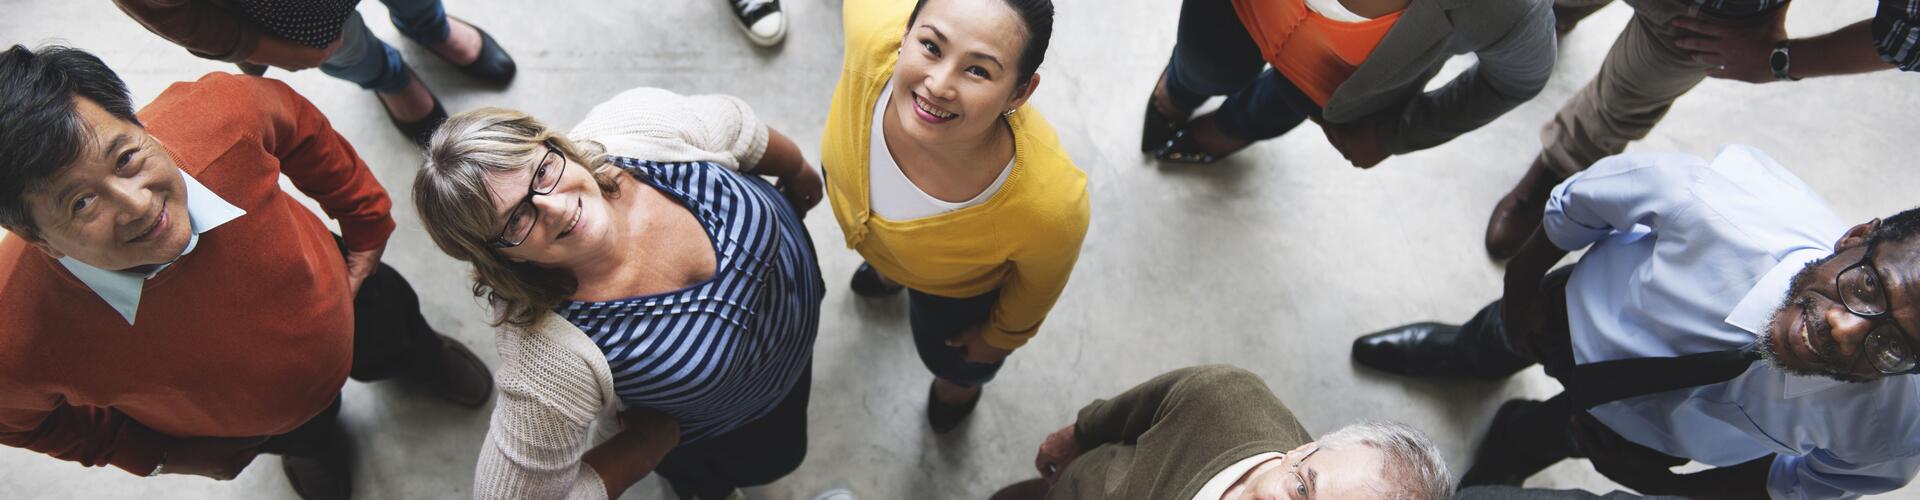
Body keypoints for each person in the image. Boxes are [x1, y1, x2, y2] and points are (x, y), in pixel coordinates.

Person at [0, 45, 489, 500]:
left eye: (126, 159)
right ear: (39, 240)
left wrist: (366, 221)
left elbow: (299, 125)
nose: (139, 203)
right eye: (81, 202)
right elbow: (18, 423)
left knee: (396, 336)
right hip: (253, 421)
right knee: (303, 432)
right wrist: (160, 458)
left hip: (347, 291)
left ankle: (419, 361)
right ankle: (312, 444)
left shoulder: (218, 116)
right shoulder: (12, 335)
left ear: (142, 127)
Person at [1353, 144, 1920, 498]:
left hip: (1653, 440)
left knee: (1549, 439)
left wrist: (1670, 488)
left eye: (1893, 347)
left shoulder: (1895, 432)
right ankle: (1471, 352)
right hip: (1571, 321)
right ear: (1855, 239)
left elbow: (1800, 484)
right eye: (1868, 286)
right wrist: (1518, 289)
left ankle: (1513, 444)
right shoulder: (1712, 204)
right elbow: (1578, 205)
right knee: (1499, 335)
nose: (1846, 331)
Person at [414, 87, 825, 500]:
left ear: (555, 146)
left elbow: (739, 129)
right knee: (772, 462)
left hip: (801, 311)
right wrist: (641, 450)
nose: (554, 208)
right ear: (501, 256)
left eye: (541, 173)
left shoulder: (639, 131)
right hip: (744, 425)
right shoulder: (546, 356)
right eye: (518, 218)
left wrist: (796, 168)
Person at [820, 0, 1090, 434]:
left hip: (955, 295)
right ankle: (891, 274)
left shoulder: (1049, 205)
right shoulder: (871, 30)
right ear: (905, 30)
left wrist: (997, 339)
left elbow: (1038, 287)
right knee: (896, 252)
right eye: (930, 46)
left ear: (1020, 93)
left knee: (953, 359)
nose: (938, 84)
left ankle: (958, 387)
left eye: (979, 70)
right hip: (878, 236)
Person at [1482, 0, 1920, 259]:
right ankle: (1550, 22)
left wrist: (1779, 58)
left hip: (1711, 11)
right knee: (1538, 11)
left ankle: (1554, 168)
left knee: (1619, 105)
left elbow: (1908, 34)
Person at [1140, 0, 1555, 166]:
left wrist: (1397, 135)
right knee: (1204, 63)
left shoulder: (1510, 7)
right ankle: (1181, 87)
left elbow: (1518, 79)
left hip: (1330, 83)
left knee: (1274, 107)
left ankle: (1233, 126)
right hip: (1233, 7)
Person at [989, 365, 1451, 500]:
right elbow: (1130, 411)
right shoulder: (1224, 396)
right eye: (1301, 491)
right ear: (1303, 451)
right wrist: (1078, 433)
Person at [112, 0, 517, 146]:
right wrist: (270, 50)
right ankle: (387, 77)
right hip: (287, 8)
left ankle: (430, 27)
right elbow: (189, 20)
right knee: (346, 49)